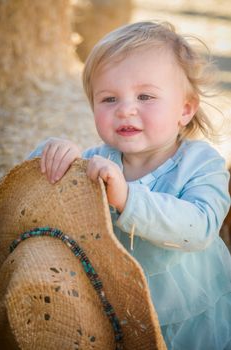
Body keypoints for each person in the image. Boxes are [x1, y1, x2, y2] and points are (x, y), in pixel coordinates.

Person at [28, 21, 231, 349]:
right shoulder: (95, 162)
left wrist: (129, 198)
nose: (125, 110)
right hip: (113, 310)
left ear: (185, 109)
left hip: (190, 317)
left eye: (145, 96)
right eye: (108, 99)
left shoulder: (201, 163)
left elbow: (201, 226)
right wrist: (51, 154)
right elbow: (34, 203)